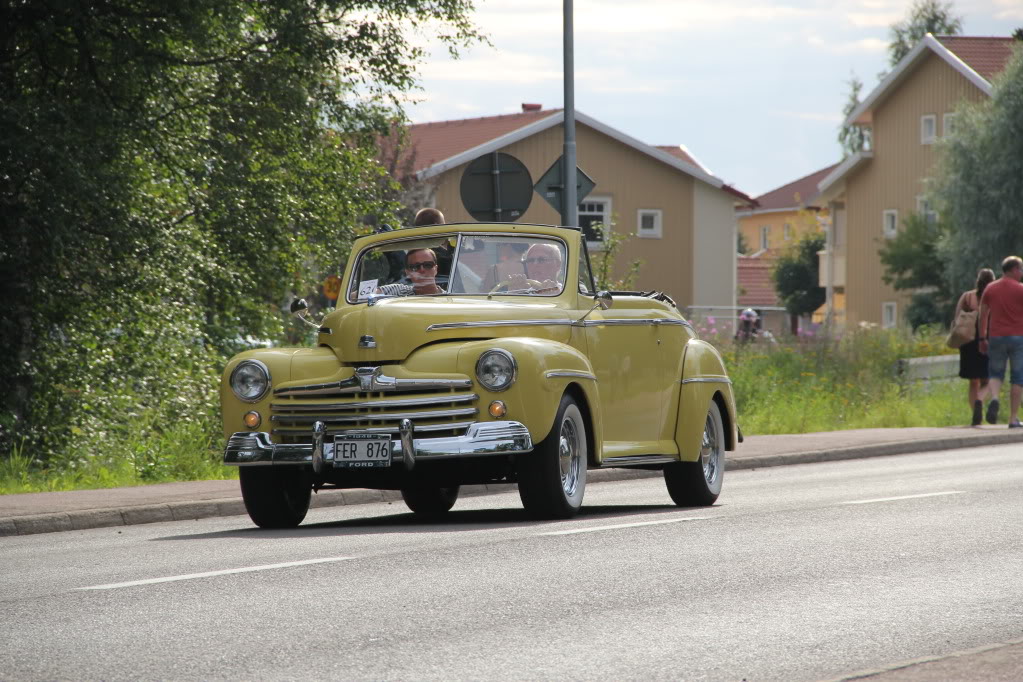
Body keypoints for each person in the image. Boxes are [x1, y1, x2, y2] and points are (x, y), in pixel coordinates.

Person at [978, 256, 1023, 428]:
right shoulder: (1020, 289)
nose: (1022, 273)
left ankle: (995, 398)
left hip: (996, 337)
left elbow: (983, 314)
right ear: (1013, 270)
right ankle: (1012, 419)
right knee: (1017, 378)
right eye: (1021, 269)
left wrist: (982, 337)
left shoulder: (990, 288)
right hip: (1018, 337)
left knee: (996, 374)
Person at [955, 268, 995, 425]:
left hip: (968, 342)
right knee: (989, 379)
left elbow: (957, 318)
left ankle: (975, 417)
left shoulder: (966, 297)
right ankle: (980, 400)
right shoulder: (993, 297)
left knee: (973, 381)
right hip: (986, 340)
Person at [378, 248, 445, 296]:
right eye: (415, 267)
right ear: (408, 273)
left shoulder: (449, 298)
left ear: (436, 269)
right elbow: (370, 295)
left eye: (428, 265)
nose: (422, 270)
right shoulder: (398, 291)